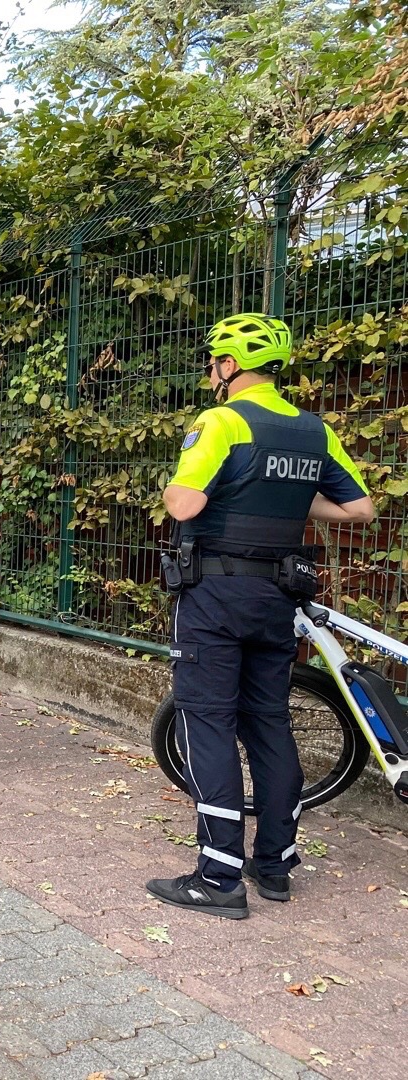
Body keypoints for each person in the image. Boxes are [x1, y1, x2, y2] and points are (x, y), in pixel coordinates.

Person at [147, 314, 374, 920]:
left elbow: (186, 500)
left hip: (216, 600)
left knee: (209, 723)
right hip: (278, 599)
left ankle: (218, 877)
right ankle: (274, 864)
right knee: (269, 723)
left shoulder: (220, 421)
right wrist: (293, 500)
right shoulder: (312, 430)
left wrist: (185, 487)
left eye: (214, 362)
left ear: (227, 366)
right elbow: (359, 508)